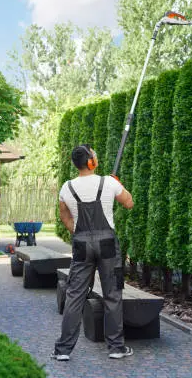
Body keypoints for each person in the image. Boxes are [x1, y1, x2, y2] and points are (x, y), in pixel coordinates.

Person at [51, 144, 134, 361]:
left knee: (74, 295)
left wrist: (80, 234)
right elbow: (129, 203)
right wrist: (118, 185)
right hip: (107, 244)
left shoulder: (66, 188)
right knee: (113, 295)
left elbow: (65, 217)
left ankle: (63, 351)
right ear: (91, 162)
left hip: (81, 245)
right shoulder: (108, 182)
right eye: (94, 155)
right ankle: (116, 348)